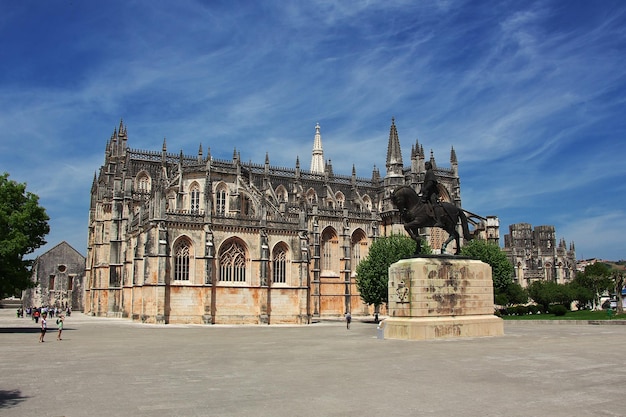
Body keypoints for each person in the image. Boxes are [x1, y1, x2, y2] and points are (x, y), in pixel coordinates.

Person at [420, 161, 444, 228]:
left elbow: (430, 183)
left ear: (429, 166)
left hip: (432, 193)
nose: (425, 166)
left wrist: (425, 189)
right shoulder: (427, 173)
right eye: (425, 165)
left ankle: (439, 221)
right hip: (428, 192)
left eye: (426, 165)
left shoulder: (430, 172)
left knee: (434, 203)